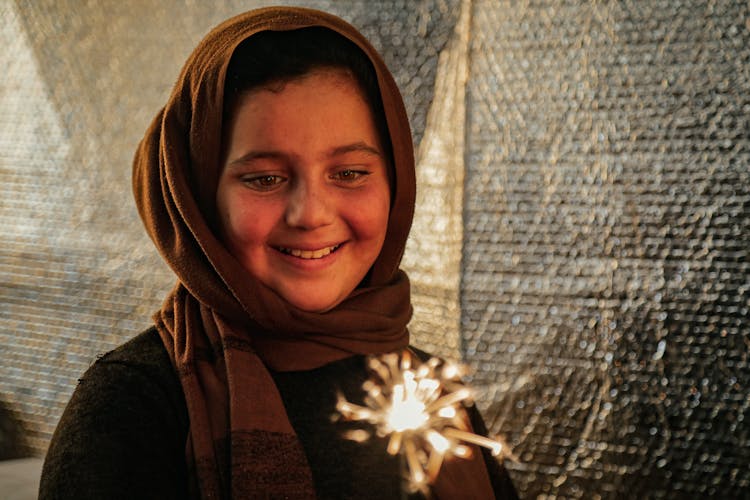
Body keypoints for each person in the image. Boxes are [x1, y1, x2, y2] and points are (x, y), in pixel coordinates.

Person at [39, 6, 517, 499]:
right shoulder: (135, 406)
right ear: (199, 198)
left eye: (350, 173)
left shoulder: (436, 396)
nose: (311, 214)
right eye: (265, 179)